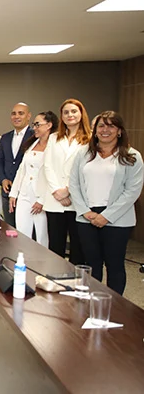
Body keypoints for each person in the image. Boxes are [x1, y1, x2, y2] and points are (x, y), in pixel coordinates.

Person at [69, 111, 143, 295]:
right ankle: (91, 303)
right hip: (87, 216)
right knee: (91, 264)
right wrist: (85, 212)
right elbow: (74, 184)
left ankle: (114, 306)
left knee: (114, 264)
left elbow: (132, 191)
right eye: (101, 126)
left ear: (119, 131)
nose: (105, 130)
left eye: (111, 126)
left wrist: (106, 216)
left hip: (118, 219)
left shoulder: (132, 156)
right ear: (95, 130)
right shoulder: (83, 153)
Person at [42, 98, 92, 264]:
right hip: (55, 199)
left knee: (78, 246)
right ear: (61, 116)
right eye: (66, 112)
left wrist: (68, 190)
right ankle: (55, 277)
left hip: (78, 199)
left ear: (81, 114)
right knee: (55, 245)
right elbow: (47, 165)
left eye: (74, 111)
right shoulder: (53, 138)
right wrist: (57, 191)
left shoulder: (90, 138)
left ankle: (76, 279)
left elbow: (86, 168)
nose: (70, 115)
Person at [8, 111, 59, 247]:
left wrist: (42, 200)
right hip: (25, 193)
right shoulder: (32, 143)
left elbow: (54, 176)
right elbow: (22, 170)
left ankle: (42, 261)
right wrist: (14, 193)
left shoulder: (55, 145)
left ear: (49, 125)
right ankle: (23, 258)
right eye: (34, 124)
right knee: (22, 233)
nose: (34, 127)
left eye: (38, 124)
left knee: (42, 236)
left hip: (42, 197)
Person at [0, 103, 33, 226]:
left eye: (21, 113)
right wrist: (3, 179)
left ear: (28, 116)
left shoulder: (35, 136)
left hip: (27, 193)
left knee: (27, 231)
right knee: (10, 228)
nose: (16, 116)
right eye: (14, 113)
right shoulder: (5, 137)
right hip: (8, 191)